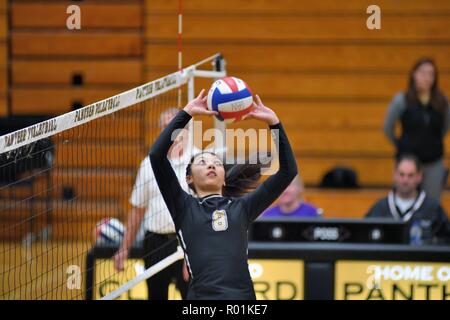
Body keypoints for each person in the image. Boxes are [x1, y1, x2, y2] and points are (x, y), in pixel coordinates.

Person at [148, 90, 298, 299]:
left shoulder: (243, 207)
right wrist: (187, 113)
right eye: (202, 162)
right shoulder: (183, 207)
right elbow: (156, 156)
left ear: (224, 178)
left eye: (216, 163)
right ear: (189, 178)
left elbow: (288, 172)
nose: (211, 164)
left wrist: (274, 123)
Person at [113, 108, 198, 300]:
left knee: (193, 298)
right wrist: (124, 248)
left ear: (188, 131)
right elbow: (137, 209)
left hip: (188, 241)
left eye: (177, 127)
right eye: (166, 127)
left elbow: (207, 209)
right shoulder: (148, 164)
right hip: (155, 242)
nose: (172, 133)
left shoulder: (200, 161)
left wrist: (194, 248)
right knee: (156, 296)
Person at [384, 58, 450, 202]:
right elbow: (388, 128)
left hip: (433, 162)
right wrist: (401, 144)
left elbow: (445, 128)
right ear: (414, 74)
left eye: (431, 74)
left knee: (432, 204)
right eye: (423, 73)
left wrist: (432, 142)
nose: (426, 77)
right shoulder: (402, 100)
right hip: (408, 162)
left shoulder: (442, 102)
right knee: (403, 200)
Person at [365, 154, 450, 244]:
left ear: (419, 177)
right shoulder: (380, 208)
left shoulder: (433, 209)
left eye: (410, 175)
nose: (405, 180)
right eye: (401, 174)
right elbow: (364, 237)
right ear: (394, 175)